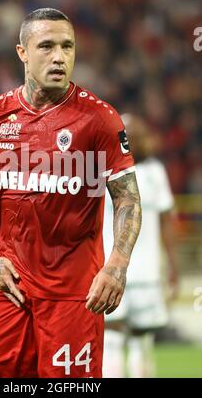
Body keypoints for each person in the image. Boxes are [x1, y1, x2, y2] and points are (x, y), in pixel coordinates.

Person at [0, 8, 142, 378]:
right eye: (46, 46)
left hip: (75, 295)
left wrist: (117, 265)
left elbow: (128, 198)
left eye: (67, 46)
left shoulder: (99, 120)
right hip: (12, 288)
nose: (59, 56)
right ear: (22, 52)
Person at [102, 114, 178, 378]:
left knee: (113, 341)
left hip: (115, 272)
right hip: (131, 273)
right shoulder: (153, 172)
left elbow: (167, 222)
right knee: (138, 341)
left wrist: (171, 265)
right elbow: (168, 222)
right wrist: (172, 266)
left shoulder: (104, 171)